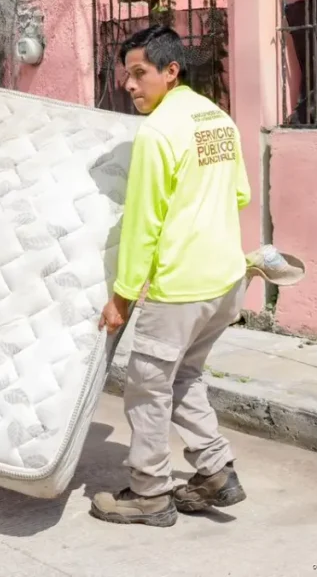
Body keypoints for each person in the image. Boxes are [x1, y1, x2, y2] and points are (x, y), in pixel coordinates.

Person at [90, 26, 250, 527]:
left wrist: (122, 298)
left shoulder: (158, 133)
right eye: (127, 76)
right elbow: (240, 194)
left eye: (139, 74)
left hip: (180, 288)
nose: (130, 86)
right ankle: (215, 470)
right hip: (226, 280)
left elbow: (142, 225)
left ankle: (150, 493)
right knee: (185, 377)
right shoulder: (219, 119)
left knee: (147, 389)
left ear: (171, 71)